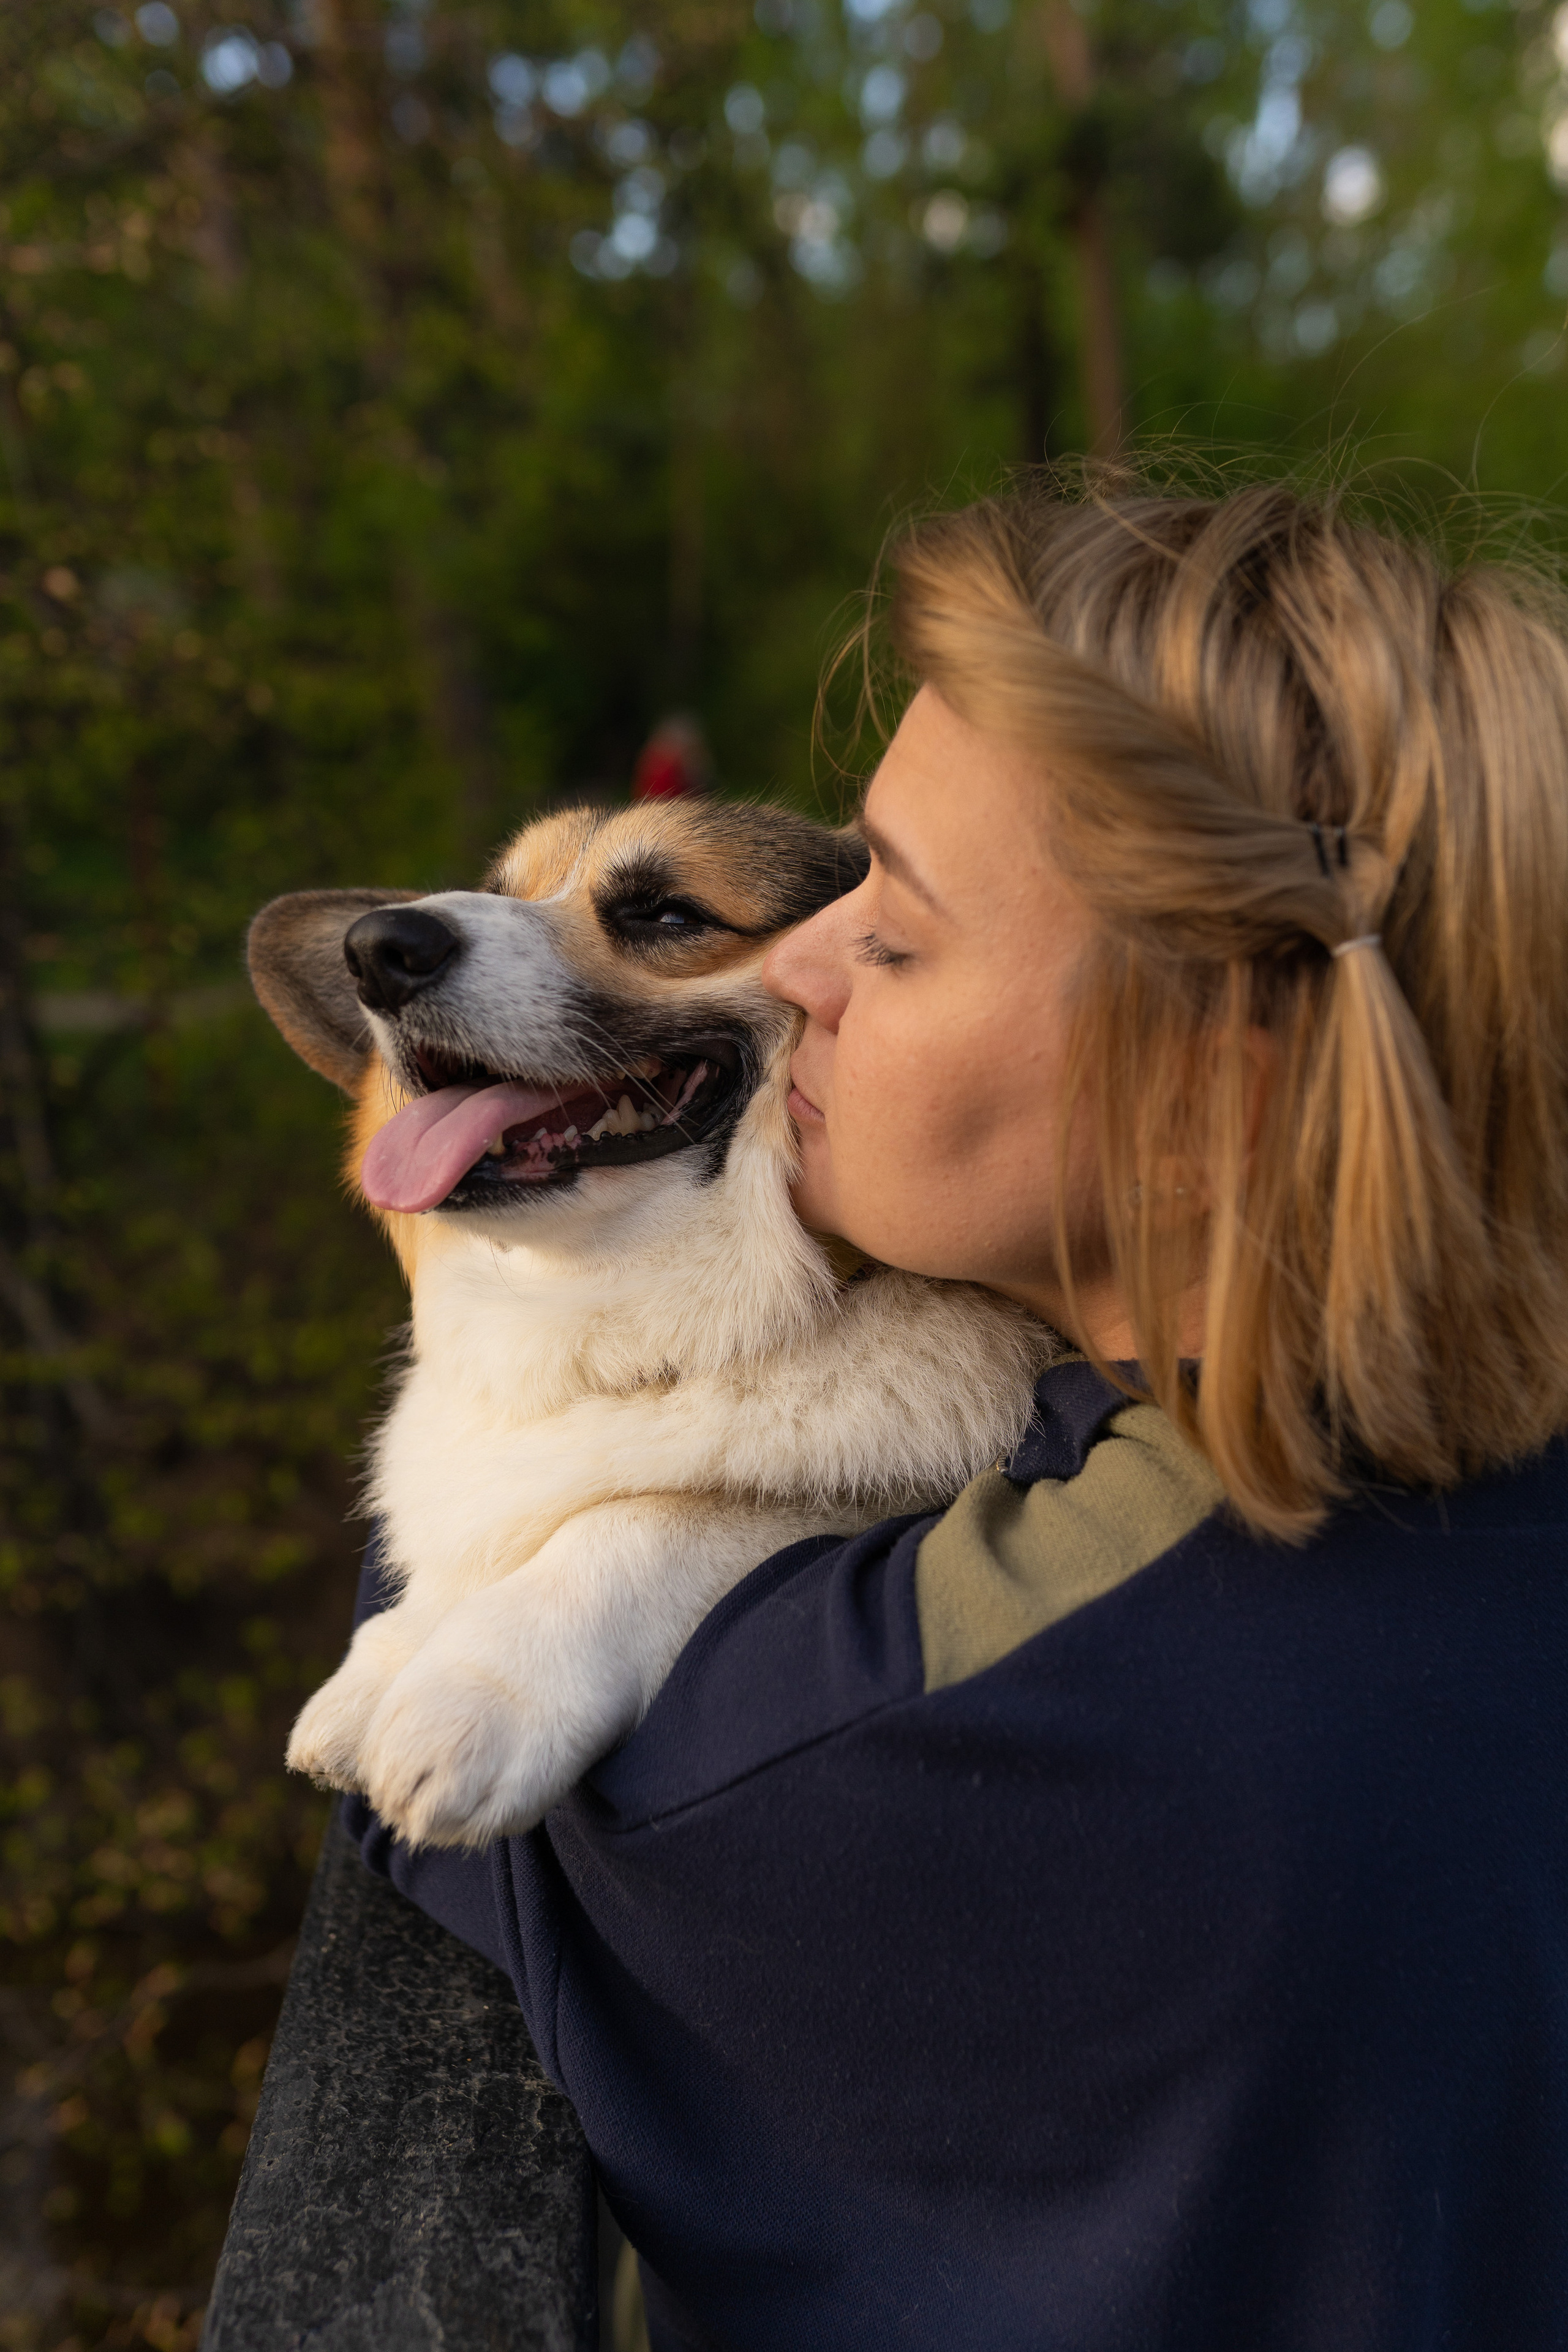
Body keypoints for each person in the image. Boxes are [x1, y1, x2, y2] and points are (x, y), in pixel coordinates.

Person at [344, 477, 1568, 2350]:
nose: (798, 970)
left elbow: (420, 1737)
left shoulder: (938, 1714)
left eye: (891, 935)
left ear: (1206, 1096)